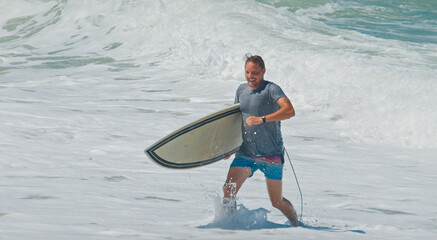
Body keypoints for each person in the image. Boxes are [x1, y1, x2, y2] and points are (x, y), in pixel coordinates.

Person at [222, 55, 299, 226]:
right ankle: (230, 227)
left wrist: (262, 119)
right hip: (246, 153)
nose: (251, 76)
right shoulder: (241, 90)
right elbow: (236, 121)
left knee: (276, 202)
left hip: (271, 155)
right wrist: (229, 148)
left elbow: (290, 110)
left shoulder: (272, 89)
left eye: (255, 72)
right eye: (247, 72)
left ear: (263, 71)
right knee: (228, 190)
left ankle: (298, 225)